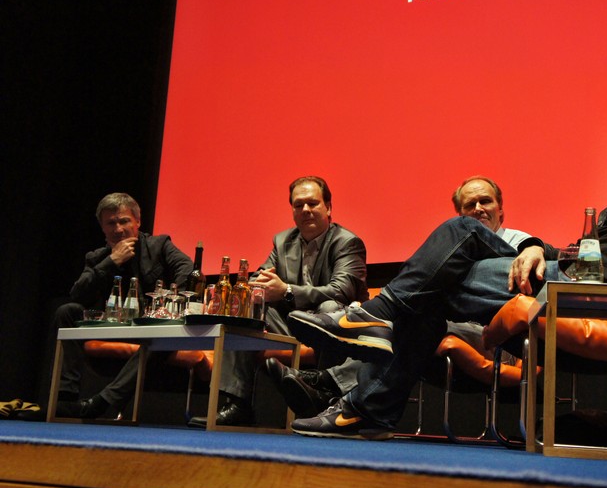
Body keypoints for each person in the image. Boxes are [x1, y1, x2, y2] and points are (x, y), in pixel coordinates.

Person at [286, 93, 607, 440]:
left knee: (454, 246)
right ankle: (368, 398)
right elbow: (584, 254)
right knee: (456, 244)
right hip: (576, 281)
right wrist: (537, 248)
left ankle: (369, 354)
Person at [271, 176, 530, 417]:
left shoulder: (521, 243)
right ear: (460, 214)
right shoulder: (453, 250)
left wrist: (536, 250)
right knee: (407, 322)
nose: (478, 209)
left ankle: (328, 384)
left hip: (499, 336)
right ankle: (334, 390)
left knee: (401, 324)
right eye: (470, 205)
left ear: (501, 210)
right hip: (446, 325)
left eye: (485, 201)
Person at [187, 176, 370, 427]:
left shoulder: (347, 242)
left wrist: (286, 291)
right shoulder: (283, 241)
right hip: (292, 324)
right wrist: (237, 296)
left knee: (329, 308)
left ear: (328, 207)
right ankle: (237, 405)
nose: (305, 210)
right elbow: (259, 278)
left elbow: (341, 291)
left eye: (313, 203)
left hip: (332, 328)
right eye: (298, 205)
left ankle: (327, 403)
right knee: (244, 312)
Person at [55, 193, 193, 418]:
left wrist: (167, 300)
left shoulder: (159, 245)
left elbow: (187, 268)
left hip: (151, 328)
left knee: (162, 337)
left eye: (124, 221)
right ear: (102, 227)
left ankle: (104, 402)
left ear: (137, 221)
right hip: (113, 326)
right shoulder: (96, 257)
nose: (118, 229)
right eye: (111, 223)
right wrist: (111, 261)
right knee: (67, 312)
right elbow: (77, 294)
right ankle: (65, 398)